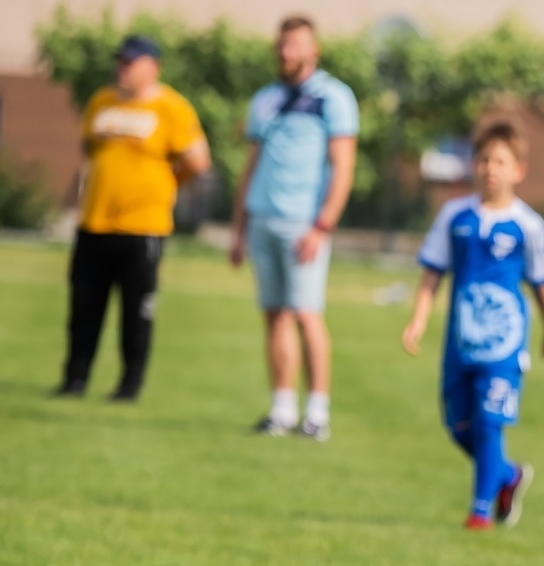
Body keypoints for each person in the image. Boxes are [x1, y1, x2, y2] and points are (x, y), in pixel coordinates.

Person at [400, 123, 544, 529]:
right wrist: (417, 322)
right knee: (460, 428)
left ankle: (479, 512)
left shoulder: (528, 225)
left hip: (504, 345)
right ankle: (508, 475)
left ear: (518, 171)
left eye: (500, 162)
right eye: (484, 160)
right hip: (459, 342)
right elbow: (431, 274)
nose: (490, 169)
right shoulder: (454, 215)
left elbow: (542, 282)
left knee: (490, 422)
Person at [54, 34, 209, 402]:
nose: (122, 68)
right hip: (94, 222)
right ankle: (75, 379)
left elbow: (197, 162)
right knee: (83, 306)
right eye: (120, 61)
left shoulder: (171, 107)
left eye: (131, 62)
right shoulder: (102, 102)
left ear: (152, 66)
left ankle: (129, 385)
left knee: (135, 312)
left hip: (143, 227)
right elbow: (90, 153)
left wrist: (166, 185)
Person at [229, 16, 358, 441]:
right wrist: (238, 226)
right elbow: (252, 165)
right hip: (262, 219)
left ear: (313, 50)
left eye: (296, 45)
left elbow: (343, 168)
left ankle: (317, 413)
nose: (287, 53)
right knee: (274, 315)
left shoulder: (333, 97)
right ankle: (282, 409)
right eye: (282, 45)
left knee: (306, 315)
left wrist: (322, 225)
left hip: (304, 223)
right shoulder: (264, 99)